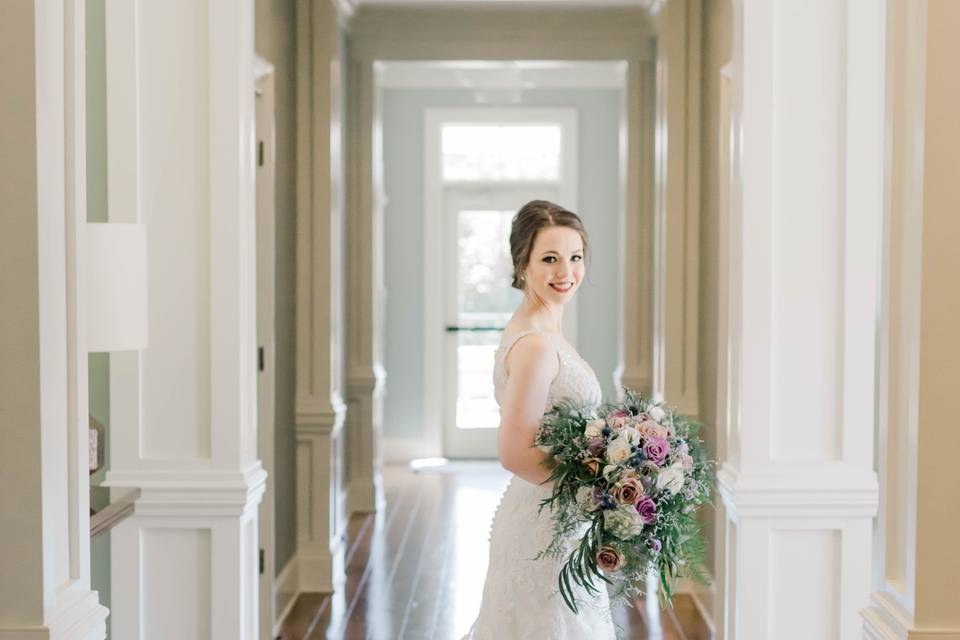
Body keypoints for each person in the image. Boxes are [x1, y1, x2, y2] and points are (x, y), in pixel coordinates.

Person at [461, 200, 618, 639]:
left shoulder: (544, 329)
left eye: (575, 257)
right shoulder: (535, 345)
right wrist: (597, 493)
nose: (565, 271)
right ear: (522, 264)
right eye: (549, 258)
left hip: (559, 520)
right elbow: (514, 453)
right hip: (545, 530)